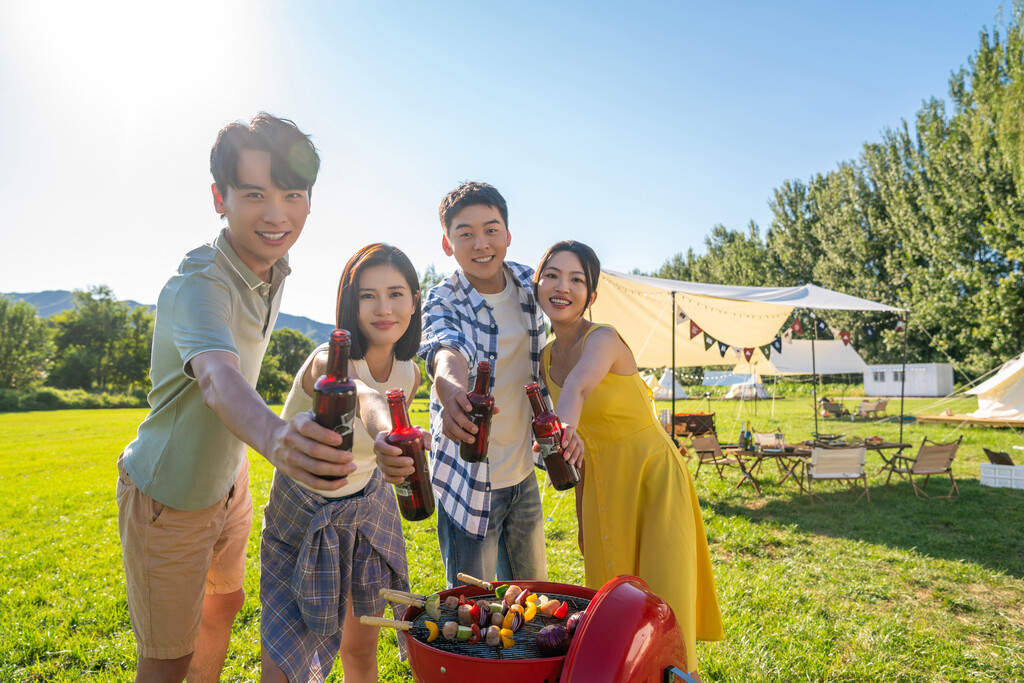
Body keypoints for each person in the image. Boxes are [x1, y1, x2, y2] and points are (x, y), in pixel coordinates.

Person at [116, 114, 360, 683]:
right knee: (167, 656)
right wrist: (276, 436)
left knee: (223, 605)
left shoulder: (272, 267)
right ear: (219, 198)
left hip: (230, 482)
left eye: (291, 194)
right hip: (170, 496)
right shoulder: (201, 280)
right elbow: (217, 378)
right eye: (254, 194)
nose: (276, 215)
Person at [533, 240, 724, 676]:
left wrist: (562, 430)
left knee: (663, 606)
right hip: (601, 488)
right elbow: (580, 454)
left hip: (651, 479)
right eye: (553, 275)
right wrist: (582, 519)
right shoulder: (543, 359)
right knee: (615, 612)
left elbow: (580, 386)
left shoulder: (604, 338)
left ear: (592, 297)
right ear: (537, 283)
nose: (563, 287)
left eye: (577, 280)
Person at [376, 181, 577, 588]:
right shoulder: (442, 299)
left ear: (507, 235)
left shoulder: (531, 284)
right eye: (465, 233)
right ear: (448, 244)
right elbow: (447, 349)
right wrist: (451, 390)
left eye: (490, 229)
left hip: (522, 474)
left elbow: (575, 307)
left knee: (534, 597)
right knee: (473, 608)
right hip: (467, 482)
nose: (480, 243)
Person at [260, 243, 423, 682]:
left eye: (395, 293)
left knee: (361, 649)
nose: (383, 307)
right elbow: (364, 397)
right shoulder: (325, 363)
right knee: (282, 663)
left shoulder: (410, 373)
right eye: (367, 295)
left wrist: (392, 445)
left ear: (414, 300)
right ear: (350, 304)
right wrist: (389, 430)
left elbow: (384, 407)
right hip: (302, 514)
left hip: (367, 510)